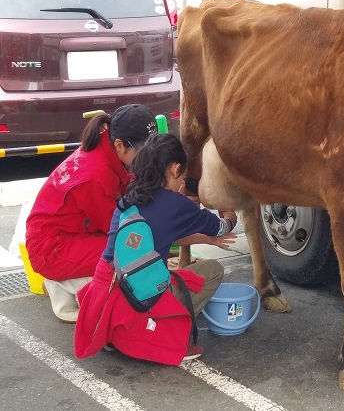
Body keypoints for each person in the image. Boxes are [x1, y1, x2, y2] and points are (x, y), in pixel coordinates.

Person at [74, 133, 236, 364]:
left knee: (159, 269)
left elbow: (153, 240)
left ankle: (118, 333)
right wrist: (229, 211)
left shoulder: (130, 196)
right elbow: (220, 227)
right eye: (182, 174)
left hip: (108, 288)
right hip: (142, 293)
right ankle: (172, 326)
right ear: (175, 168)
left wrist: (205, 240)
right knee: (213, 270)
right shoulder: (175, 204)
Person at [25, 104, 158, 323]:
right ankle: (67, 284)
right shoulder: (96, 175)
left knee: (136, 251)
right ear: (120, 145)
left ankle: (72, 282)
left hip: (70, 233)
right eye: (145, 151)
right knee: (129, 253)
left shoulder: (108, 147)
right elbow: (120, 230)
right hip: (51, 248)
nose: (150, 157)